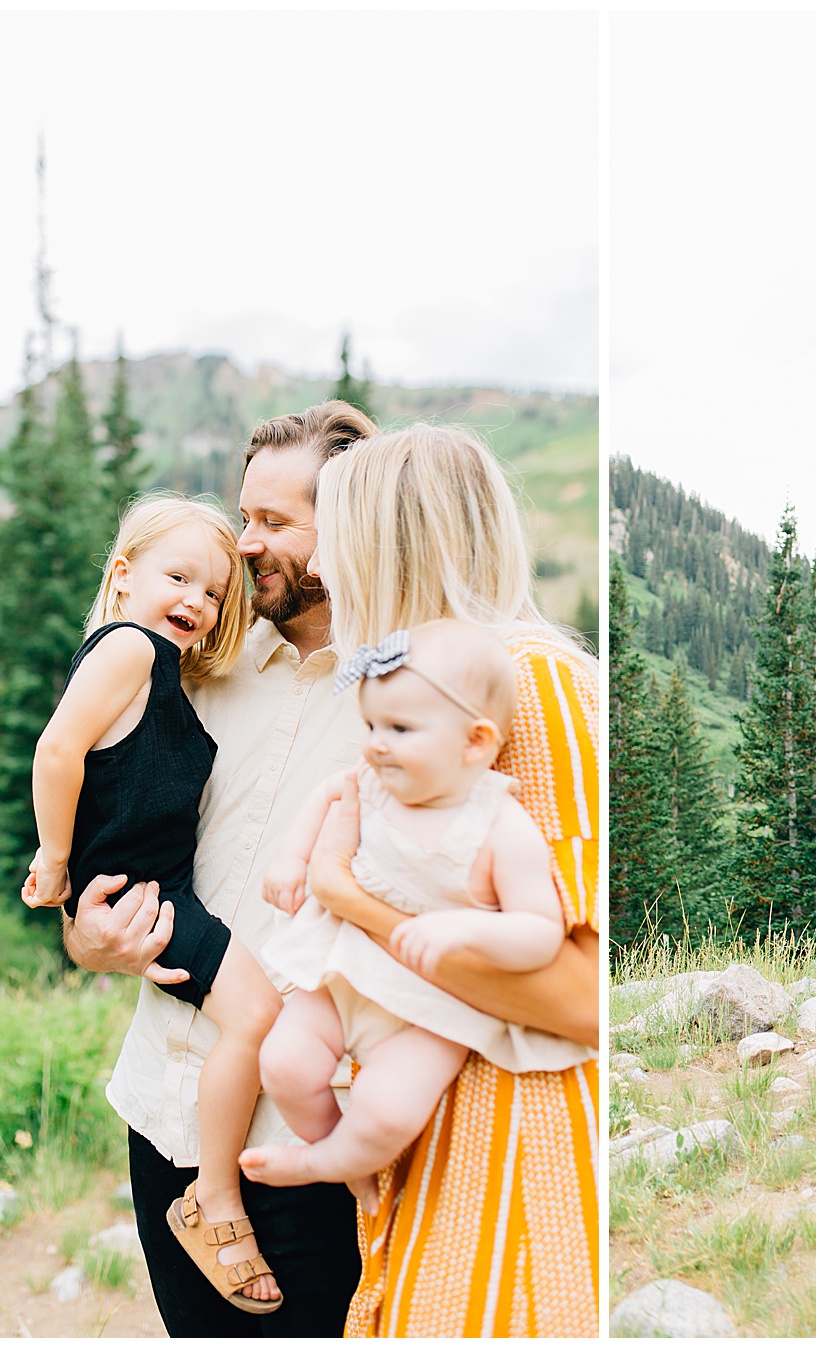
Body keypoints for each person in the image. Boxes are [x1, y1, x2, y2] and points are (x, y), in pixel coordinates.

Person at [253, 423, 599, 1337]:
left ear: (385, 543)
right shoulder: (434, 691)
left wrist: (345, 895)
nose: (323, 561)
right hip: (448, 1112)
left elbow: (581, 988)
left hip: (518, 1135)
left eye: (335, 534)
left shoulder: (528, 682)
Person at [60, 403, 377, 1337]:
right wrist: (87, 933)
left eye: (274, 524)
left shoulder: (407, 693)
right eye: (246, 517)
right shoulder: (195, 662)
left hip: (312, 1139)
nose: (244, 547)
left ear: (354, 526)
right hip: (163, 1105)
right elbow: (109, 810)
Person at [23, 496, 285, 1311]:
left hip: (153, 886)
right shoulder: (130, 647)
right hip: (149, 894)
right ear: (124, 575)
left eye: (213, 593)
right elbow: (60, 747)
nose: (198, 603)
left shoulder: (161, 666)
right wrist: (57, 857)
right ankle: (214, 1197)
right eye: (179, 578)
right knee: (254, 1015)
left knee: (249, 1017)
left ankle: (212, 1189)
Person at [247, 619, 592, 1211]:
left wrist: (460, 928)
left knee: (387, 1111)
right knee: (282, 1063)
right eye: (373, 724)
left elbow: (539, 932)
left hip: (431, 1010)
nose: (376, 743)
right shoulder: (372, 784)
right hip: (345, 970)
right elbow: (328, 794)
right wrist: (291, 856)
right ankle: (335, 1149)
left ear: (476, 743)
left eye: (400, 729)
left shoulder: (500, 827)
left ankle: (328, 1163)